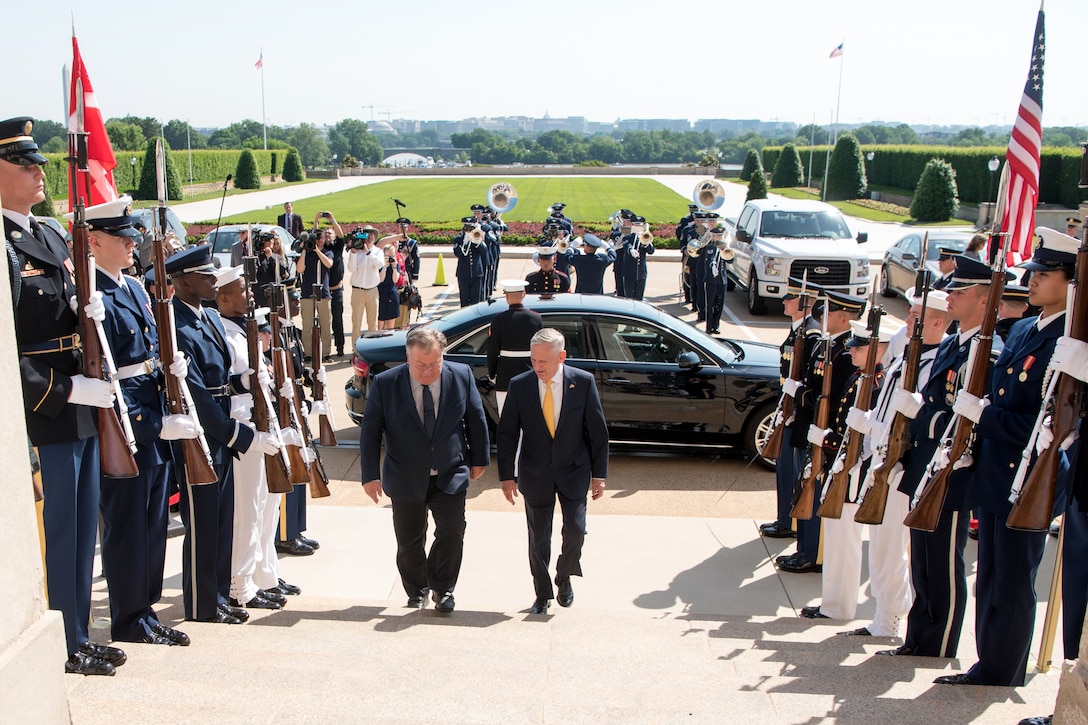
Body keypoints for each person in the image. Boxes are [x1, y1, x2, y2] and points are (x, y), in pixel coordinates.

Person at [2, 117, 127, 675]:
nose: (38, 173)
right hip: (43, 405)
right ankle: (59, 640)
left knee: (80, 529)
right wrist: (65, 387)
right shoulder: (4, 246)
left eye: (38, 164)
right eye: (24, 165)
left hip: (80, 399)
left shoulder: (50, 232)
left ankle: (76, 632)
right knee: (55, 531)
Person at [937, 229, 1077, 687]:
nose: (1032, 282)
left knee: (1014, 581)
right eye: (1032, 273)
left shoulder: (1070, 343)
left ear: (1072, 282)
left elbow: (1049, 425)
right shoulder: (1021, 328)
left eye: (1045, 274)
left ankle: (1003, 670)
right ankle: (988, 662)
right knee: (991, 577)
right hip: (996, 470)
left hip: (1027, 474)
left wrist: (984, 414)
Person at [74, 196, 197, 648]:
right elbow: (104, 369)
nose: (132, 245)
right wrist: (148, 423)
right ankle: (128, 618)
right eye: (123, 238)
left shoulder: (132, 288)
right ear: (96, 241)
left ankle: (145, 611)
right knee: (126, 526)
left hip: (152, 412)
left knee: (153, 522)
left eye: (133, 238)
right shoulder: (93, 295)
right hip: (128, 424)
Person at [879, 254, 1007, 660]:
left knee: (943, 563)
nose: (949, 297)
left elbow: (962, 415)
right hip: (926, 465)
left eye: (960, 291)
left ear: (985, 301)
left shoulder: (985, 352)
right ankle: (919, 638)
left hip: (952, 469)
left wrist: (923, 415)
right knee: (923, 561)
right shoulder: (954, 344)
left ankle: (940, 642)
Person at [167, 244, 282, 626]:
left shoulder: (208, 319)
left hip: (219, 434)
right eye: (204, 276)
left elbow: (219, 382)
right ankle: (202, 605)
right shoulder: (178, 326)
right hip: (205, 433)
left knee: (220, 522)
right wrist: (240, 436)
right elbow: (197, 395)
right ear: (183, 281)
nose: (213, 281)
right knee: (202, 527)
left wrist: (241, 380)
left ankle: (217, 595)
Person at [838, 288, 949, 638]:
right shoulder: (906, 356)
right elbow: (887, 410)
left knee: (894, 547)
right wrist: (869, 425)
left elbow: (916, 420)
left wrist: (872, 426)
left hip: (905, 464)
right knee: (882, 543)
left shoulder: (937, 361)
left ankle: (891, 618)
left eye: (916, 315)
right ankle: (883, 615)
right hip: (883, 458)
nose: (908, 320)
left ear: (936, 321)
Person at [361, 327, 490, 613]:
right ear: (408, 356)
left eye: (435, 364)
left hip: (451, 470)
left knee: (453, 530)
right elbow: (370, 431)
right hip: (405, 474)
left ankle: (443, 588)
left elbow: (476, 418)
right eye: (421, 365)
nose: (428, 371)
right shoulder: (386, 383)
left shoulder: (461, 375)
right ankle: (416, 589)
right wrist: (370, 475)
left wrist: (479, 459)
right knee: (409, 540)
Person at [498, 328, 609, 614]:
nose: (537, 366)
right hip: (535, 474)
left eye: (544, 361)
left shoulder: (582, 383)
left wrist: (600, 474)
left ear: (561, 357)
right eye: (534, 360)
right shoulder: (520, 385)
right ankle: (542, 594)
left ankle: (564, 574)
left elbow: (597, 431)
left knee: (576, 530)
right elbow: (507, 433)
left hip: (574, 471)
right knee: (539, 540)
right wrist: (506, 476)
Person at [213, 266, 294, 612]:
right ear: (223, 297)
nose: (250, 296)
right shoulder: (223, 333)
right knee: (247, 511)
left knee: (266, 506)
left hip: (264, 423)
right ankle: (240, 585)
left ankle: (264, 574)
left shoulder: (242, 331)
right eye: (242, 290)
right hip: (245, 428)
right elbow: (225, 386)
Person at [800, 318, 890, 620]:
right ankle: (834, 603)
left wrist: (827, 440)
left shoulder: (877, 385)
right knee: (838, 541)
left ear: (879, 350)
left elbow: (864, 439)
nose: (851, 351)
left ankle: (839, 607)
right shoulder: (859, 377)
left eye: (859, 348)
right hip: (843, 467)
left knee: (845, 543)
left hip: (857, 473)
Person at [779, 290, 865, 573]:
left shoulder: (843, 355)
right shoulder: (825, 345)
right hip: (807, 426)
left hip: (822, 433)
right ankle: (804, 548)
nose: (820, 316)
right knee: (804, 488)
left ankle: (815, 554)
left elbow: (832, 399)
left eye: (828, 311)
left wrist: (800, 393)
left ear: (842, 317)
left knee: (815, 492)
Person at [760, 279, 820, 539]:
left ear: (805, 302)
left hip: (797, 414)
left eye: (790, 297)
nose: (784, 301)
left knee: (792, 470)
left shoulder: (811, 334)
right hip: (787, 409)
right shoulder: (798, 330)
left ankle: (791, 522)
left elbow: (806, 380)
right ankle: (784, 519)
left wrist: (793, 409)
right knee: (783, 468)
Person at [487, 279, 543, 415]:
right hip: (529, 372)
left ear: (506, 297)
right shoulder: (536, 318)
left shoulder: (499, 320)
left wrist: (492, 373)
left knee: (507, 418)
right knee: (529, 419)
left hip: (505, 374)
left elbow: (493, 350)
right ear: (524, 294)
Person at [297, 226, 335, 362]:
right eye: (317, 238)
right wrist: (304, 251)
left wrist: (317, 250)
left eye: (321, 238)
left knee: (325, 325)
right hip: (307, 292)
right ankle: (308, 353)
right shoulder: (307, 253)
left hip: (323, 293)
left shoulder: (328, 252)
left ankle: (326, 353)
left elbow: (329, 264)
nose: (319, 240)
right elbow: (300, 269)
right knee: (307, 325)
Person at [345, 224, 384, 340]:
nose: (370, 236)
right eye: (367, 234)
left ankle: (372, 349)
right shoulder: (356, 252)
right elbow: (351, 268)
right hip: (358, 291)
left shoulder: (377, 251)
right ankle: (355, 350)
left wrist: (367, 252)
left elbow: (379, 264)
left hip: (372, 290)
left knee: (372, 324)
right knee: (356, 323)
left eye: (373, 234)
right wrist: (353, 252)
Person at [316, 213, 347, 357]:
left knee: (338, 320)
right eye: (325, 233)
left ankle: (340, 347)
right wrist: (316, 220)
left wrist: (332, 219)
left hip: (337, 289)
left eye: (330, 233)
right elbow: (313, 235)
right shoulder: (321, 249)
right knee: (324, 322)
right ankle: (324, 350)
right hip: (324, 291)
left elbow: (341, 235)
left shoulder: (337, 247)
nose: (327, 235)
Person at [701, 226, 731, 334]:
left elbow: (731, 260)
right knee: (710, 304)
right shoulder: (709, 247)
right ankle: (709, 326)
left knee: (720, 304)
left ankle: (716, 325)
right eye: (716, 236)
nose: (718, 238)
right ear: (712, 237)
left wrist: (725, 250)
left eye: (720, 236)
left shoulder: (725, 248)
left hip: (722, 280)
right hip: (711, 279)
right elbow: (707, 259)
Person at [620, 215, 654, 301]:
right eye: (636, 225)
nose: (638, 228)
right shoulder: (627, 237)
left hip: (641, 274)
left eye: (639, 226)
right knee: (629, 298)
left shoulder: (644, 238)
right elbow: (627, 246)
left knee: (639, 298)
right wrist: (631, 250)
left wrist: (646, 243)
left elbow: (651, 251)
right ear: (632, 225)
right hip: (629, 273)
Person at [454, 217, 486, 307]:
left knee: (476, 301)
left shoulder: (478, 237)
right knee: (464, 301)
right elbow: (457, 253)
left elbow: (484, 252)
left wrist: (477, 241)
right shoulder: (458, 239)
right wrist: (464, 242)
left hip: (476, 273)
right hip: (463, 274)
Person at [395, 218, 420, 329]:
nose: (402, 229)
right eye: (400, 227)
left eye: (404, 227)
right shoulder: (394, 242)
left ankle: (405, 322)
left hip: (407, 275)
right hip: (395, 275)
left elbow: (416, 259)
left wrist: (414, 275)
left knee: (406, 299)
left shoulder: (412, 243)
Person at [377, 244, 401, 331]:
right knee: (380, 321)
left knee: (390, 324)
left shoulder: (395, 264)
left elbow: (395, 280)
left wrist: (394, 267)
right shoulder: (380, 264)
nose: (390, 258)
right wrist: (384, 267)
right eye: (387, 256)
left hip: (391, 292)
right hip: (381, 292)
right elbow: (381, 279)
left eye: (392, 255)